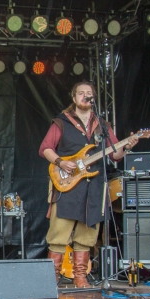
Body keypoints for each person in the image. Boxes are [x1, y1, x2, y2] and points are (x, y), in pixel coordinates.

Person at [39, 81, 138, 287]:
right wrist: (60, 161)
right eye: (81, 93)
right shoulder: (61, 122)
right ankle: (51, 280)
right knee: (59, 234)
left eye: (89, 93)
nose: (86, 96)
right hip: (67, 185)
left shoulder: (103, 125)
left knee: (87, 235)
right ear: (74, 98)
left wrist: (127, 146)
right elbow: (45, 148)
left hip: (94, 187)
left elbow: (116, 154)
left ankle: (80, 278)